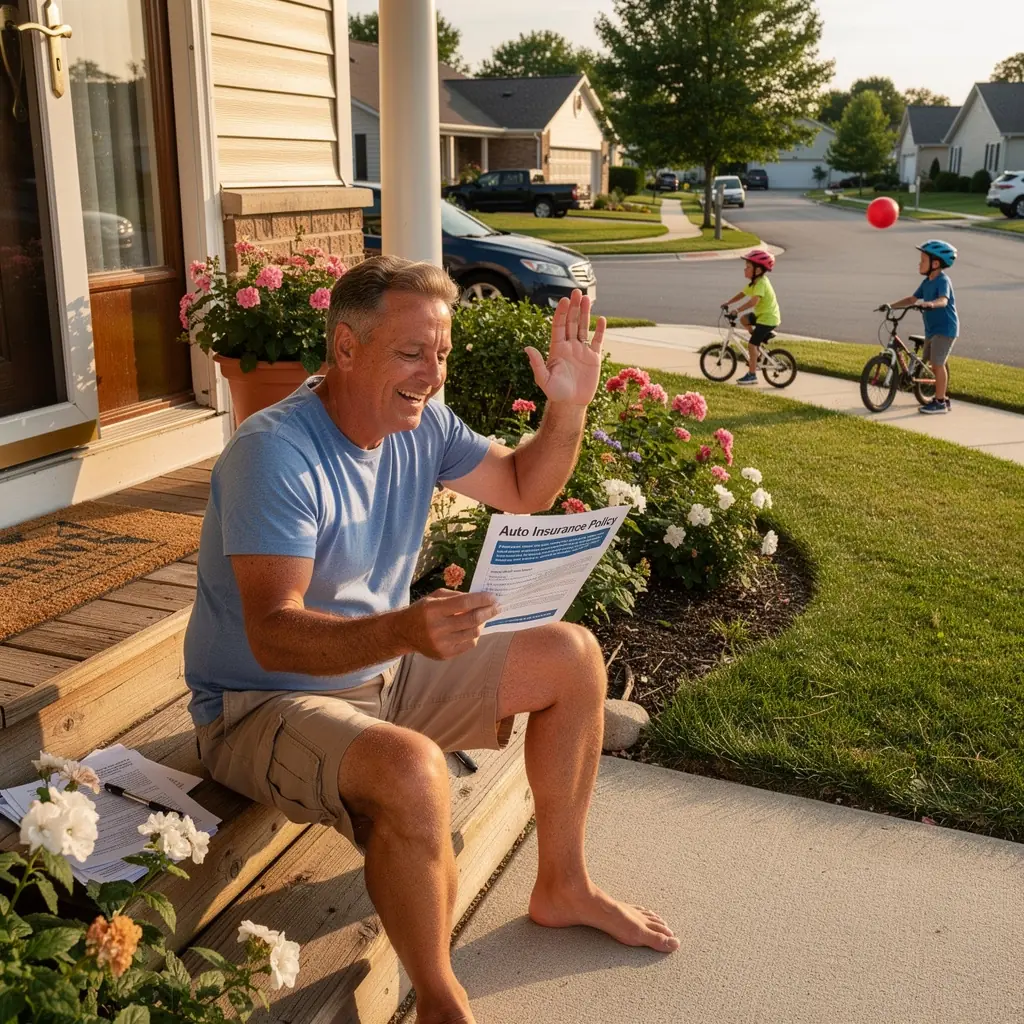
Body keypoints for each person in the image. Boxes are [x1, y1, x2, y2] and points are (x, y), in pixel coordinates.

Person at [183, 255, 678, 1024]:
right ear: (345, 348)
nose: (432, 374)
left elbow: (521, 488)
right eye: (413, 353)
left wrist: (569, 410)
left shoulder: (422, 424)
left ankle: (563, 885)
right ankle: (439, 998)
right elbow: (274, 635)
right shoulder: (274, 452)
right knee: (417, 772)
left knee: (573, 657)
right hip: (260, 702)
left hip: (380, 669)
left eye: (441, 354)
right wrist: (408, 628)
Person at [885, 239, 959, 415]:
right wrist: (890, 306)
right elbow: (912, 299)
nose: (919, 263)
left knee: (936, 365)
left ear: (935, 263)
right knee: (929, 363)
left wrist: (931, 304)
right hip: (932, 330)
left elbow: (943, 300)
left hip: (946, 329)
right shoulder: (927, 282)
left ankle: (940, 402)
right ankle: (939, 396)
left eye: (923, 260)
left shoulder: (943, 280)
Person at [721, 248, 780, 385]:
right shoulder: (754, 282)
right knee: (744, 319)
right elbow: (742, 293)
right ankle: (758, 345)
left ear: (758, 271)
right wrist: (728, 302)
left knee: (751, 345)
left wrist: (737, 309)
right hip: (762, 316)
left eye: (748, 267)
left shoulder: (761, 284)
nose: (744, 270)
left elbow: (754, 301)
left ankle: (752, 375)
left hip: (768, 319)